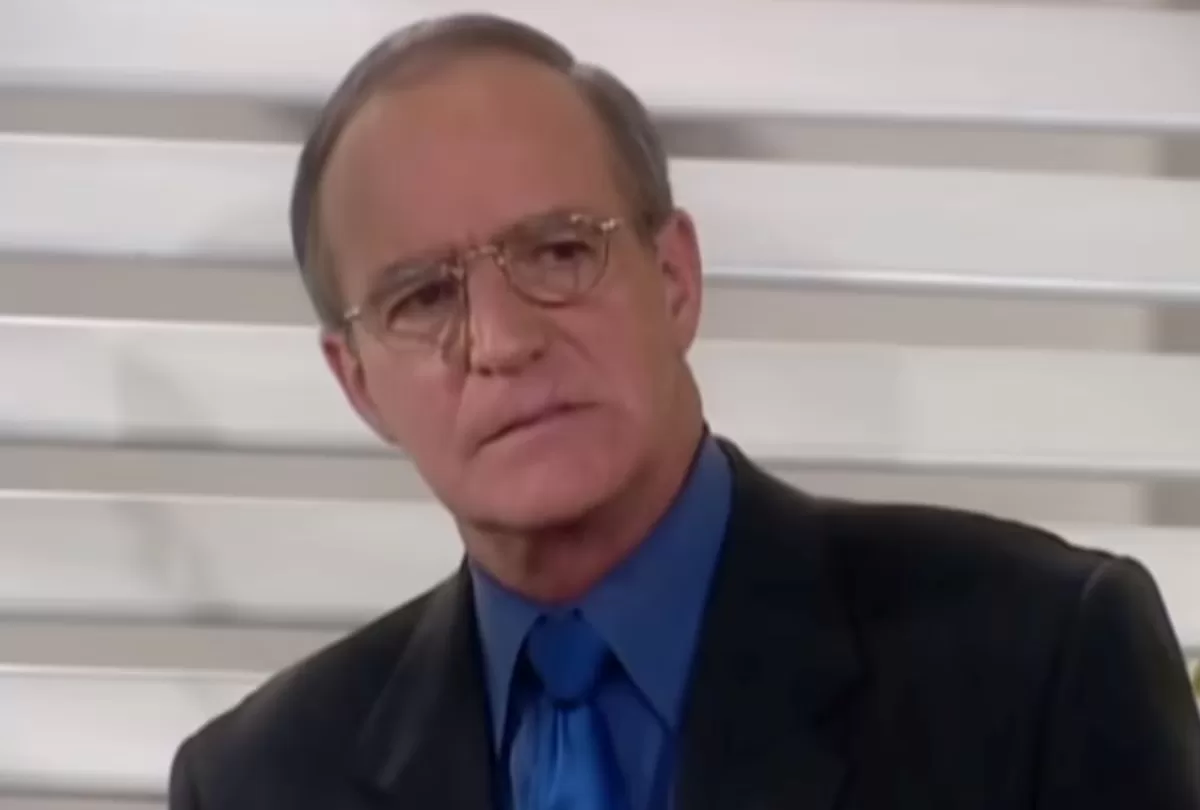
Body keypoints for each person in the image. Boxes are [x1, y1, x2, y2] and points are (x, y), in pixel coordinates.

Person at [168, 13, 1200, 810]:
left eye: (558, 252)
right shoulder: (257, 781)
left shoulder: (1039, 659)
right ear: (357, 384)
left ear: (673, 281)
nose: (503, 340)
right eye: (424, 297)